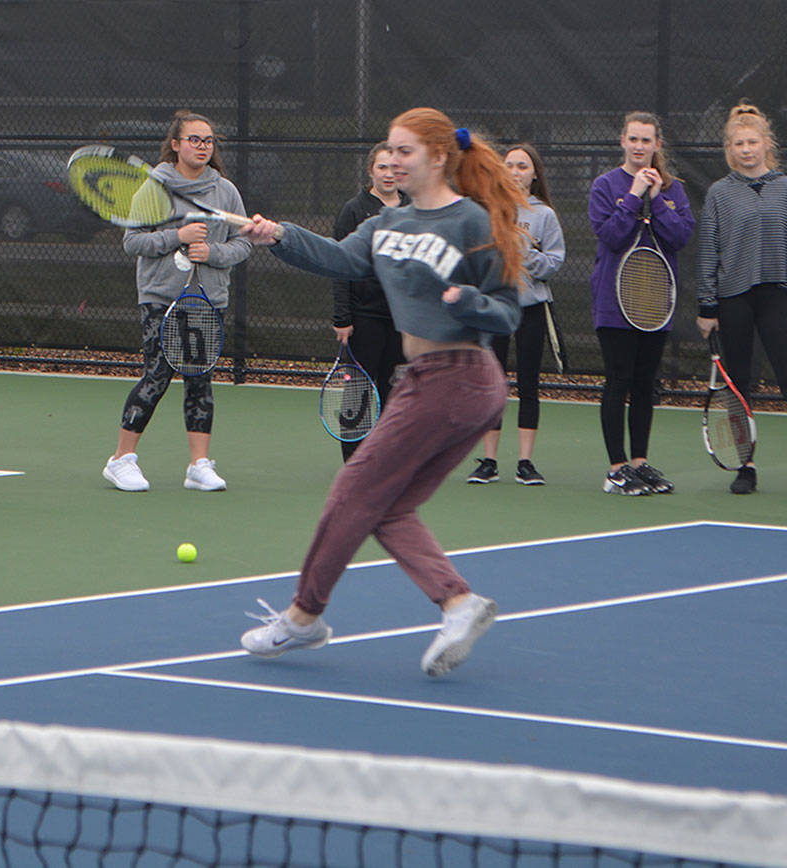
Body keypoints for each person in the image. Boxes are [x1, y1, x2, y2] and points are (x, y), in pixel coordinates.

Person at [237, 107, 525, 676]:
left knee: (350, 492)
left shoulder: (471, 221)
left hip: (461, 375)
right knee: (386, 505)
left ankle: (302, 617)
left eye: (405, 151)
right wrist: (279, 236)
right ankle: (457, 602)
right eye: (388, 150)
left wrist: (467, 302)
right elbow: (340, 258)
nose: (392, 160)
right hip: (428, 380)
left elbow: (508, 312)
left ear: (439, 157)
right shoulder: (387, 224)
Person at [695, 102, 787, 497]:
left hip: (778, 297)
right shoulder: (719, 194)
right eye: (739, 143)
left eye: (753, 142)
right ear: (729, 148)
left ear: (766, 144)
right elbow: (709, 250)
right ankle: (746, 466)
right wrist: (707, 307)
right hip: (733, 299)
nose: (746, 149)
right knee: (740, 385)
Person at [102, 111, 253, 492]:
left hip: (207, 300)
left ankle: (199, 465)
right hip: (161, 298)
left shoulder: (226, 191)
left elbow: (245, 241)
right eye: (194, 140)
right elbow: (133, 242)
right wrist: (177, 235)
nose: (202, 146)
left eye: (208, 141)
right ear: (175, 144)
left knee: (200, 380)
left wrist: (212, 253)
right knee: (157, 375)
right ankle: (121, 460)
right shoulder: (153, 189)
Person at [588, 112, 694, 496]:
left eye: (646, 140)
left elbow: (680, 236)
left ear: (657, 145)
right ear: (622, 141)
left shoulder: (673, 189)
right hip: (613, 303)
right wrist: (633, 194)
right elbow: (612, 236)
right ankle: (617, 468)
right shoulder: (604, 186)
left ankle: (639, 463)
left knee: (645, 385)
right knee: (619, 381)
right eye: (633, 139)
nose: (638, 146)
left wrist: (656, 197)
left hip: (655, 305)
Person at [468, 143, 566, 485]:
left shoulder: (544, 216)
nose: (515, 171)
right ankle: (489, 461)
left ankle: (525, 462)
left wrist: (526, 254)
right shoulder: (488, 210)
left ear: (534, 174)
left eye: (522, 166)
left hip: (531, 309)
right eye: (509, 165)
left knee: (528, 383)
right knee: (490, 385)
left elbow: (554, 261)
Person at [331, 141, 408, 462]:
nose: (388, 175)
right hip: (364, 318)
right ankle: (354, 459)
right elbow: (338, 264)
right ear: (370, 171)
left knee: (396, 390)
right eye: (382, 168)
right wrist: (342, 317)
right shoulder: (353, 210)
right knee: (359, 388)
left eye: (394, 168)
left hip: (403, 319)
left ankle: (388, 457)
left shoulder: (414, 208)